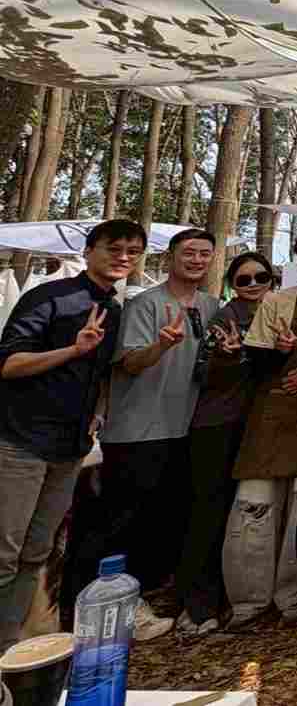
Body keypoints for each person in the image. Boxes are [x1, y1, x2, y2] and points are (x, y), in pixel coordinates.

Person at [0, 218, 144, 653]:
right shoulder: (49, 297)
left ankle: (9, 648)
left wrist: (97, 413)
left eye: (133, 252)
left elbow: (100, 375)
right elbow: (9, 364)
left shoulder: (115, 309)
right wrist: (72, 349)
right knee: (4, 553)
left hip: (70, 447)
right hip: (21, 440)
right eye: (113, 248)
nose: (123, 258)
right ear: (88, 251)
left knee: (37, 552)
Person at [87, 228, 221, 642]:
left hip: (184, 428)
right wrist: (160, 346)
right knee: (123, 521)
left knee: (162, 520)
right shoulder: (145, 303)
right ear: (170, 257)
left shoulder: (212, 305)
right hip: (138, 430)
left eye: (204, 254)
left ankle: (144, 594)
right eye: (189, 253)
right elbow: (128, 362)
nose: (196, 260)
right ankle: (111, 606)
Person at [223, 227, 297, 632]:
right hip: (272, 412)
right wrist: (282, 353)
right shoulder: (276, 301)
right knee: (254, 507)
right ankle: (248, 600)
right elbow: (255, 361)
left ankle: (295, 597)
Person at [174, 250, 272, 636]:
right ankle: (198, 602)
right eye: (243, 279)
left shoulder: (276, 314)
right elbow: (202, 373)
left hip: (256, 425)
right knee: (209, 511)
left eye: (260, 277)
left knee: (242, 513)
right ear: (232, 284)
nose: (253, 285)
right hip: (218, 424)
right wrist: (227, 358)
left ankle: (236, 595)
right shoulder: (225, 318)